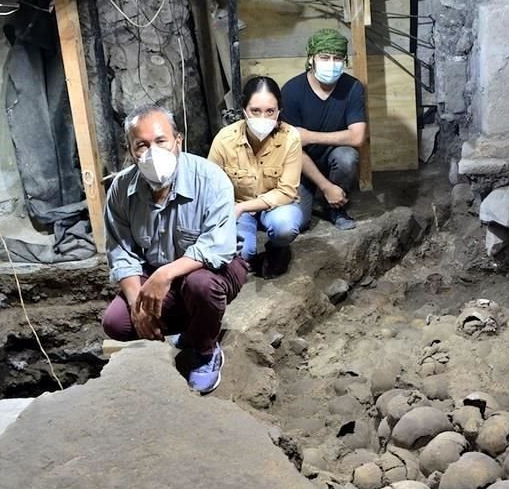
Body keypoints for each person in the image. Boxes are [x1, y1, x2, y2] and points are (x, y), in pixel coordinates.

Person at [101, 105, 247, 394]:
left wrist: (165, 274)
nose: (152, 152)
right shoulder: (121, 188)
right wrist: (136, 306)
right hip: (156, 273)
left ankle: (205, 350)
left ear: (177, 140)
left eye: (161, 141)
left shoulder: (210, 179)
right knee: (117, 322)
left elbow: (217, 247)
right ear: (130, 150)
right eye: (142, 145)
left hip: (213, 270)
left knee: (200, 286)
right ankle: (190, 329)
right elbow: (121, 249)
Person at [208, 76, 302, 278]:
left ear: (279, 112)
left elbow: (287, 191)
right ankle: (249, 257)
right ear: (244, 110)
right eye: (255, 111)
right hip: (236, 208)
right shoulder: (224, 139)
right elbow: (209, 187)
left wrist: (242, 207)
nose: (263, 118)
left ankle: (278, 248)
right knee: (243, 253)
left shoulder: (290, 137)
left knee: (285, 226)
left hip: (276, 206)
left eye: (270, 111)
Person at [281, 28, 367, 231]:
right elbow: (293, 149)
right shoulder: (291, 91)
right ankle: (322, 192)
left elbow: (358, 137)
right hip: (299, 164)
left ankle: (335, 208)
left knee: (348, 157)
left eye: (337, 58)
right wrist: (325, 186)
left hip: (332, 159)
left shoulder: (353, 88)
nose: (331, 63)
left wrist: (309, 137)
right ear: (311, 58)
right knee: (298, 224)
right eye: (324, 57)